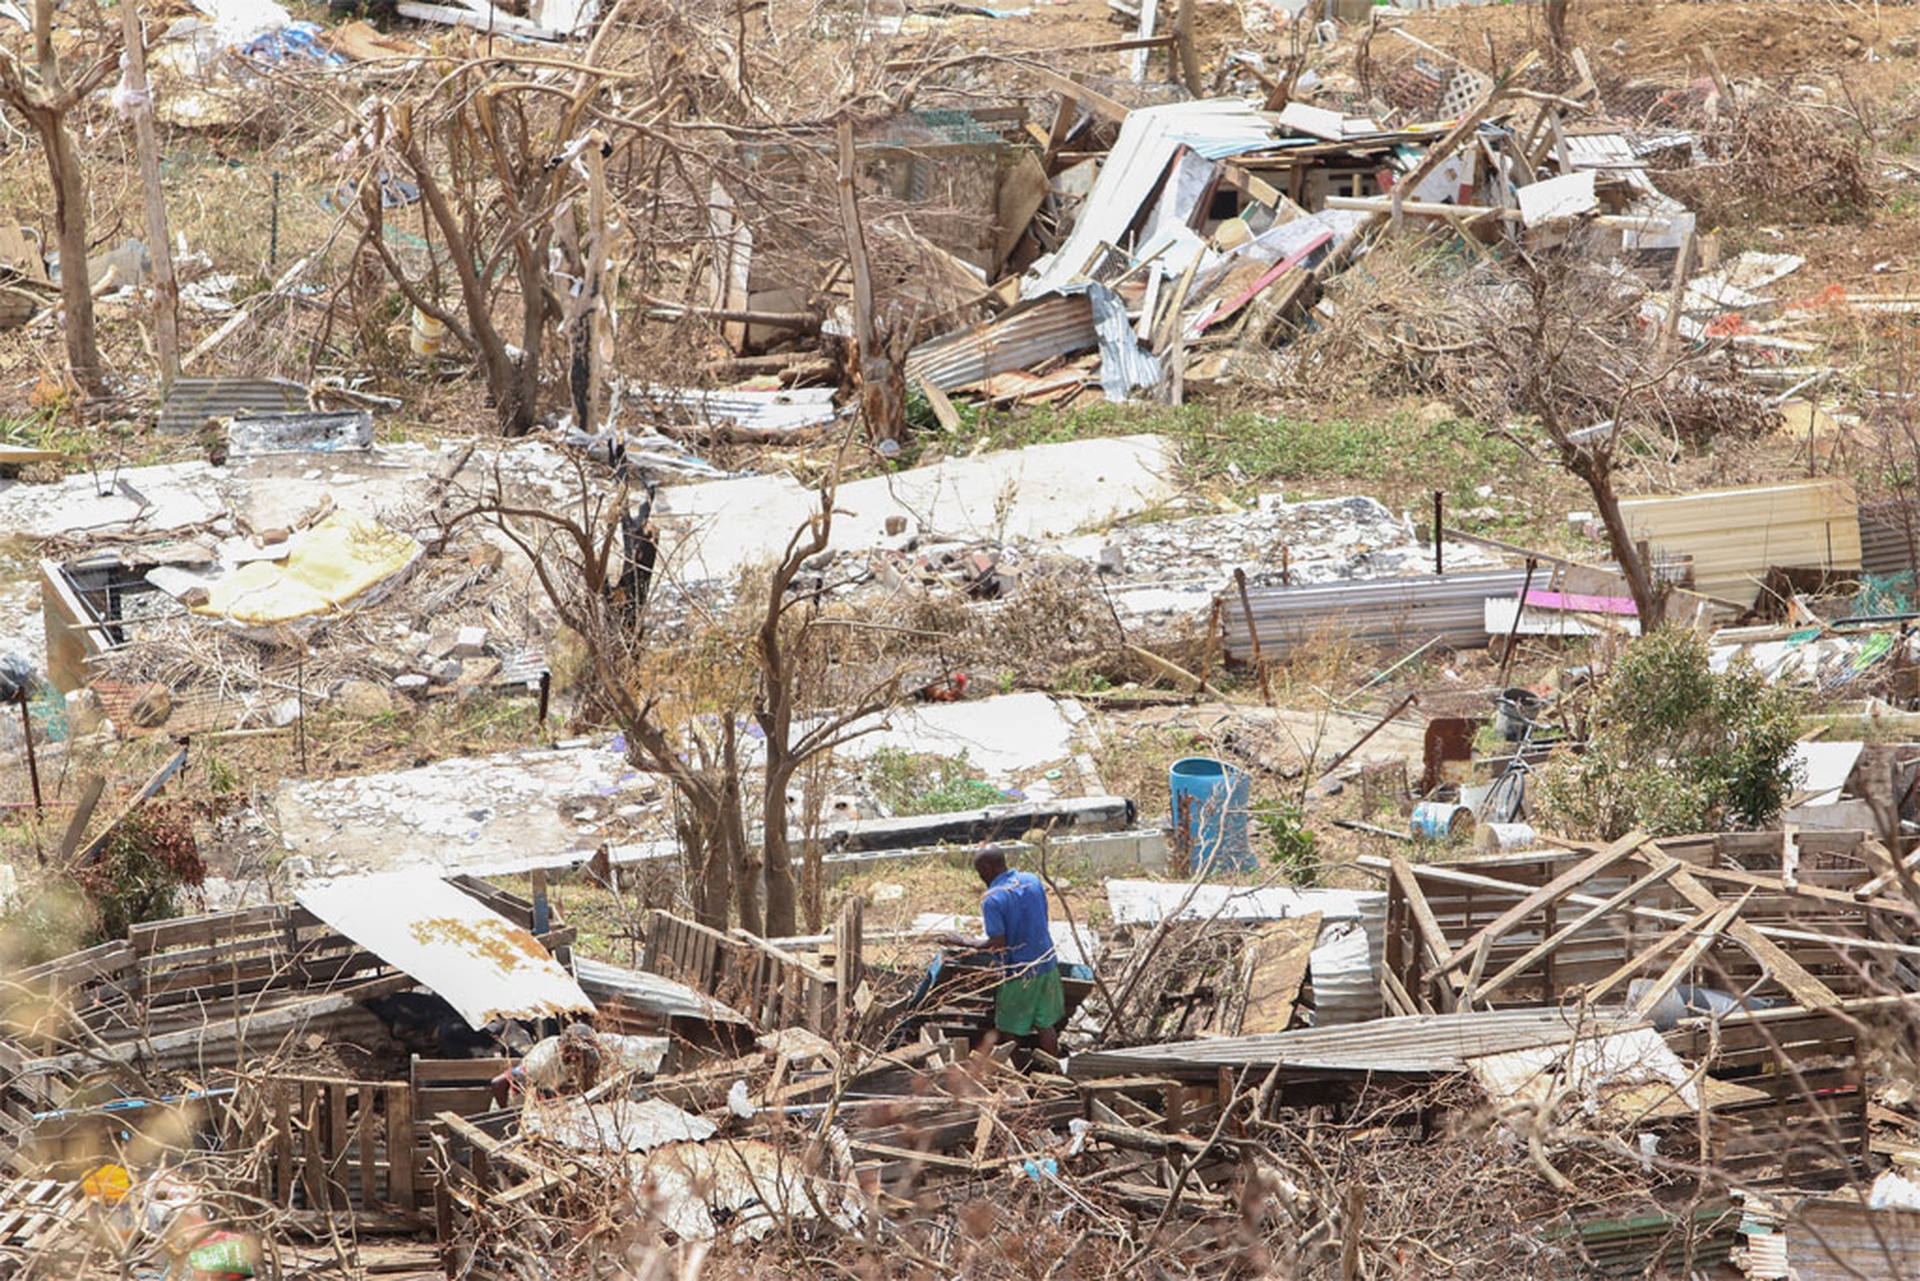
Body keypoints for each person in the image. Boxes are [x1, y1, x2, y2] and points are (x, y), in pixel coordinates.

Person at [939, 847, 1063, 1060]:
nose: (981, 878)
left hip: (1019, 973)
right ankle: (1057, 1072)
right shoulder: (1032, 880)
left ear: (988, 868)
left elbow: (998, 943)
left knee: (1010, 1029)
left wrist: (965, 942)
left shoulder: (993, 898)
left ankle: (1019, 1076)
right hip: (1047, 963)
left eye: (980, 873)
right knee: (1046, 1026)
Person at [490, 1022, 669, 1107]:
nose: (575, 1057)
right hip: (514, 1107)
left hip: (548, 1098)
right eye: (571, 1050)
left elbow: (634, 1050)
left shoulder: (599, 1047)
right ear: (562, 1047)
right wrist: (503, 1117)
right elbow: (498, 1083)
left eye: (580, 1052)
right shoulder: (541, 1062)